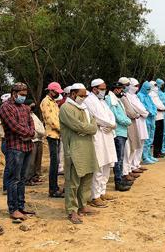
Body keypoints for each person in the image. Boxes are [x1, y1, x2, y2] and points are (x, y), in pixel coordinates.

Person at [59, 83, 99, 224]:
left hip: (87, 147)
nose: (84, 98)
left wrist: (87, 129)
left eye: (85, 95)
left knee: (87, 177)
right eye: (81, 95)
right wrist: (89, 128)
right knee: (73, 181)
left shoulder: (85, 108)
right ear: (73, 94)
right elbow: (77, 125)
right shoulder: (66, 108)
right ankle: (72, 210)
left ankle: (83, 205)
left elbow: (93, 124)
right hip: (74, 149)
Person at [0, 82, 36, 222]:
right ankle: (13, 209)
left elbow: (31, 123)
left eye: (25, 95)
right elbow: (14, 127)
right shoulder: (5, 108)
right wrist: (28, 133)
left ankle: (21, 207)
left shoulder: (25, 108)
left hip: (26, 147)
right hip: (14, 147)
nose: (23, 97)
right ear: (14, 93)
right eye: (21, 94)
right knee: (13, 179)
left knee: (21, 179)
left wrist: (29, 133)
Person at [84, 79, 118, 207]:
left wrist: (112, 125)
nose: (104, 90)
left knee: (107, 164)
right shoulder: (89, 100)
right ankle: (94, 196)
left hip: (107, 134)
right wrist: (109, 124)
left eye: (104, 88)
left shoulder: (103, 102)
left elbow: (111, 115)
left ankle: (102, 191)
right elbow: (96, 117)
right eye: (102, 88)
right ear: (94, 89)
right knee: (99, 165)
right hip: (98, 135)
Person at [105, 82, 133, 191]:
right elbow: (116, 116)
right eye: (121, 89)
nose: (122, 91)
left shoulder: (116, 99)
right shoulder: (110, 99)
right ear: (116, 90)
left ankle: (120, 178)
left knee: (121, 157)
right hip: (118, 132)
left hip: (122, 131)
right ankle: (118, 181)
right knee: (118, 158)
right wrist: (128, 121)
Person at [40, 82, 65, 198]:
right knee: (54, 163)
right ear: (51, 91)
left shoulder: (53, 102)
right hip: (52, 135)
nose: (58, 94)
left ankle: (55, 187)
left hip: (57, 135)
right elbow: (51, 120)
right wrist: (62, 129)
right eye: (57, 92)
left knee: (57, 162)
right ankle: (52, 189)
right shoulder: (46, 102)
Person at [25, 101, 45, 186]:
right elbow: (34, 129)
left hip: (39, 139)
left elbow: (40, 126)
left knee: (38, 161)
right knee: (31, 161)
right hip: (33, 140)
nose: (32, 108)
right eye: (31, 106)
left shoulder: (34, 115)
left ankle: (35, 177)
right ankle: (27, 179)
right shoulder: (25, 116)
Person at [137, 81, 158, 164]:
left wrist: (154, 111)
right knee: (146, 139)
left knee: (151, 138)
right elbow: (143, 106)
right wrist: (150, 112)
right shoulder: (140, 96)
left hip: (152, 119)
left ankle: (149, 155)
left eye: (149, 89)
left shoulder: (148, 96)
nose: (148, 90)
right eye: (147, 89)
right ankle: (145, 157)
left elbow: (153, 105)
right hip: (146, 119)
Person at [150, 80, 165, 158]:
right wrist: (163, 108)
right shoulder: (151, 94)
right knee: (156, 136)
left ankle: (159, 151)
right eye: (155, 85)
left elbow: (161, 104)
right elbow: (157, 105)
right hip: (156, 117)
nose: (157, 87)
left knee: (160, 135)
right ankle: (156, 152)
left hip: (161, 116)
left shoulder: (156, 94)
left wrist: (164, 108)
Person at [0, 93, 11, 193]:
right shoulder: (2, 111)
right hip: (7, 140)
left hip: (8, 140)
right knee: (9, 165)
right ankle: (6, 187)